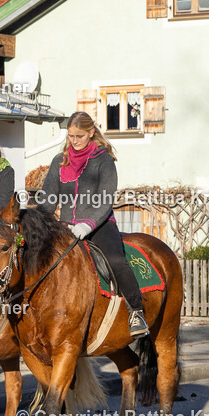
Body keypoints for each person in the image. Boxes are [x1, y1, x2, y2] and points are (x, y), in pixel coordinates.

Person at [38, 111, 149, 338]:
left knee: (116, 260)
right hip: (66, 227)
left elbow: (106, 199)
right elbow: (48, 198)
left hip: (99, 225)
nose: (74, 141)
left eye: (79, 135)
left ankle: (136, 310)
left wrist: (87, 225)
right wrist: (38, 222)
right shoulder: (59, 162)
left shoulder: (104, 160)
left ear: (91, 133)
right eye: (70, 136)